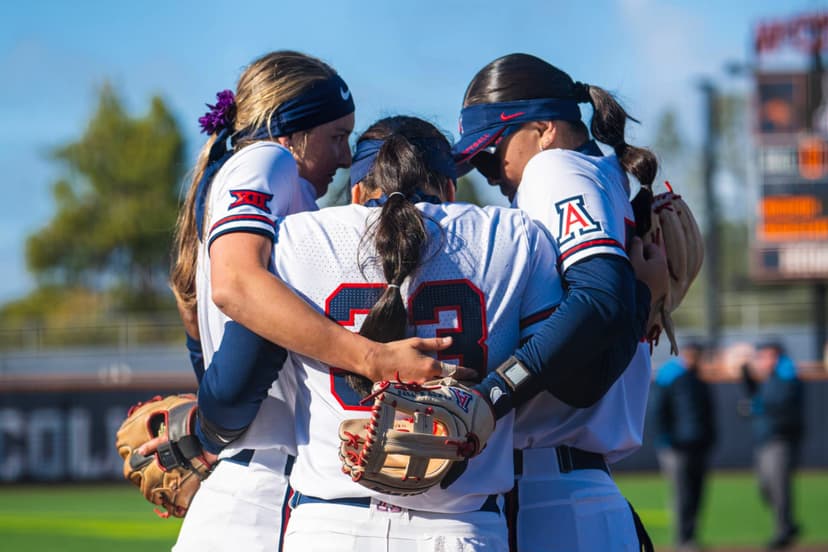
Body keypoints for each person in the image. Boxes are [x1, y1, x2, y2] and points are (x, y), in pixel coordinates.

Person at [164, 52, 450, 552]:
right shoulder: (267, 159)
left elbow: (200, 316)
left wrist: (205, 432)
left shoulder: (250, 177)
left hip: (250, 483)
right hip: (267, 492)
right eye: (336, 137)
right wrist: (371, 358)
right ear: (290, 132)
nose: (344, 158)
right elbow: (238, 286)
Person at [452, 52, 663, 551]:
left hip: (545, 497)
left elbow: (599, 303)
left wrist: (492, 395)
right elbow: (607, 311)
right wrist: (642, 297)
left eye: (492, 152)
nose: (489, 172)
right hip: (576, 489)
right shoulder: (602, 173)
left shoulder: (554, 168)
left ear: (544, 129)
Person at [652, 341, 716, 552]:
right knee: (682, 493)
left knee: (696, 492)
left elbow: (707, 413)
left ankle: (691, 537)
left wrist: (709, 438)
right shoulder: (671, 377)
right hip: (676, 447)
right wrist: (667, 441)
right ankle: (682, 540)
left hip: (698, 445)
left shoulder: (698, 379)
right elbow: (658, 411)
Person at [741, 341, 804, 550]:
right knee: (766, 486)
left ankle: (783, 530)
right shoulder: (772, 377)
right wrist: (745, 373)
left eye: (764, 356)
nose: (760, 360)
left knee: (778, 487)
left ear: (775, 357)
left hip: (780, 439)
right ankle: (789, 525)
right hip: (766, 439)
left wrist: (754, 407)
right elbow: (756, 394)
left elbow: (776, 403)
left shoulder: (786, 375)